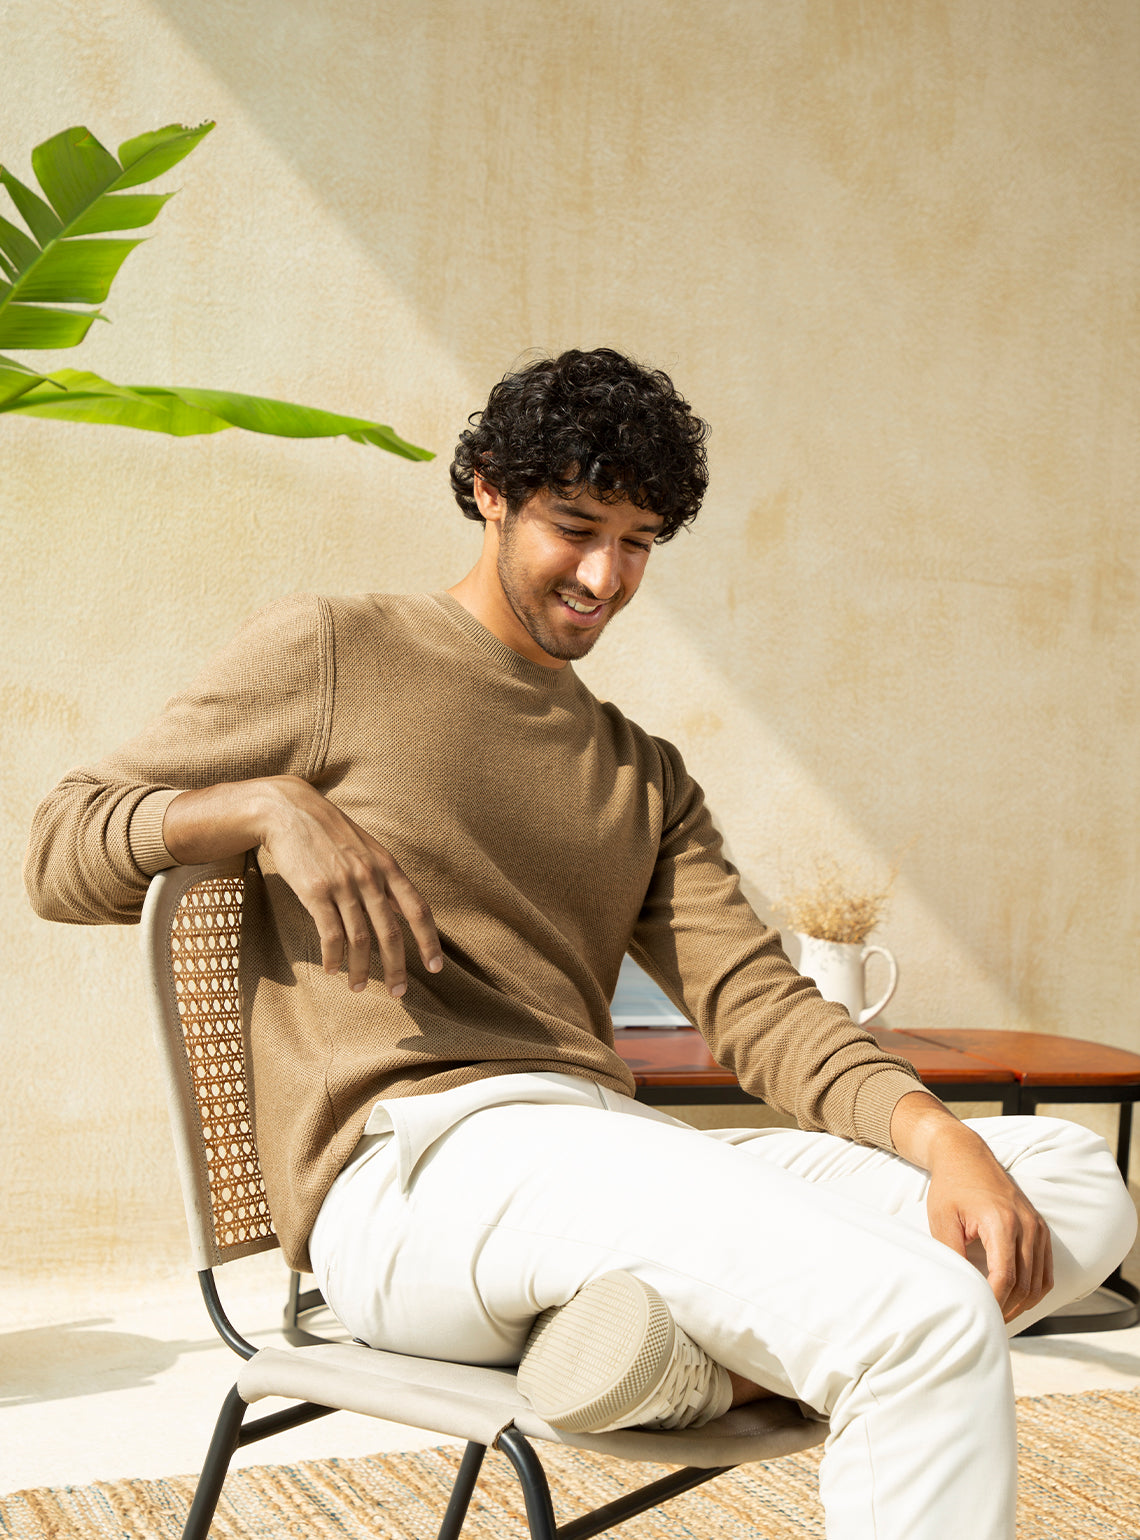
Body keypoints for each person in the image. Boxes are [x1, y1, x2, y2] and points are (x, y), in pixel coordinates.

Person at [25, 347, 1135, 1539]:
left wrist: (941, 1139)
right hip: (420, 1179)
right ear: (488, 491)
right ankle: (719, 1355)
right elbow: (60, 847)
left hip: (605, 1152)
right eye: (576, 526)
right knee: (925, 1314)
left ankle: (683, 1364)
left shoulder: (642, 773)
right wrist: (264, 805)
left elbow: (760, 1006)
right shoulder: (338, 650)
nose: (606, 575)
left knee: (1064, 1185)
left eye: (640, 542)